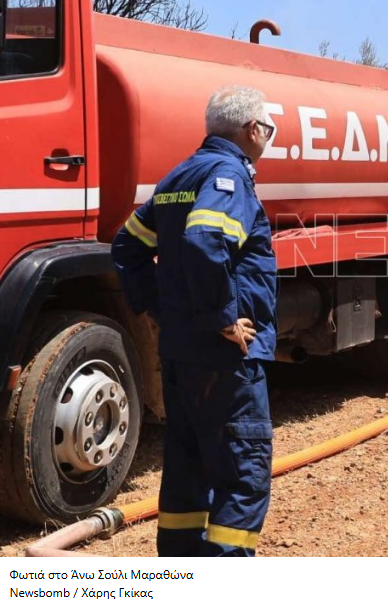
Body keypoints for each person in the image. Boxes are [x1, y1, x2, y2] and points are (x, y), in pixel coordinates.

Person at [111, 86, 278, 557]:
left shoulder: (179, 175)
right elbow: (206, 241)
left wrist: (166, 312)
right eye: (269, 128)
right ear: (252, 130)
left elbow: (127, 248)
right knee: (241, 478)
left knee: (187, 470)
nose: (268, 137)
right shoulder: (229, 174)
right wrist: (222, 318)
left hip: (183, 355)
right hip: (226, 360)